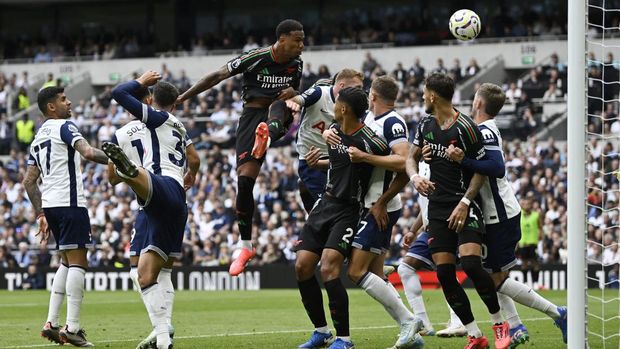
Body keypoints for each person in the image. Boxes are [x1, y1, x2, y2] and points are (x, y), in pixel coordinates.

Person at [443, 83, 568, 346]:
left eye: (474, 98)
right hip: (493, 213)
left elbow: (497, 167)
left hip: (500, 214)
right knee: (493, 274)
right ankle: (516, 327)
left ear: (478, 103)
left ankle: (557, 314)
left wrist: (462, 160)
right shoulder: (481, 129)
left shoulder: (486, 131)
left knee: (495, 278)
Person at [177, 19, 304, 276]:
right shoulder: (255, 57)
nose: (302, 45)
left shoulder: (296, 64)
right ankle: (245, 245)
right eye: (297, 40)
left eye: (302, 40)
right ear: (282, 40)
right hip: (250, 118)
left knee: (279, 106)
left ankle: (267, 135)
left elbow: (295, 93)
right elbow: (217, 75)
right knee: (244, 183)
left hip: (278, 114)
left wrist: (292, 92)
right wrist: (183, 97)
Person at [405, 73, 510, 349]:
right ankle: (476, 335)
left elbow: (480, 172)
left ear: (433, 96)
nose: (422, 97)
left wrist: (465, 202)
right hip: (437, 208)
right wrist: (415, 177)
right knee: (444, 273)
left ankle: (500, 323)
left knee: (473, 265)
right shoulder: (425, 124)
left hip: (464, 204)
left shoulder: (466, 127)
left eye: (424, 93)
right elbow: (409, 158)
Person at [329, 76, 423, 348]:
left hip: (379, 206)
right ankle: (412, 335)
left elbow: (403, 162)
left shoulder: (393, 122)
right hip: (366, 203)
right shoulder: (370, 120)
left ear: (372, 95)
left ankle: (408, 321)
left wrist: (381, 201)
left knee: (357, 272)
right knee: (375, 274)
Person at [294, 87, 389, 349]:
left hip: (348, 210)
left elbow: (401, 162)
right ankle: (321, 332)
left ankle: (344, 339)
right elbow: (341, 161)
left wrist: (381, 200)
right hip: (325, 203)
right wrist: (320, 163)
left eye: (336, 103)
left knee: (328, 266)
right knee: (302, 266)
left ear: (344, 108)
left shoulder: (369, 140)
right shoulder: (334, 131)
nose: (333, 106)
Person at [106, 85, 199, 349]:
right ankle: (164, 329)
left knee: (142, 277)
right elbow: (194, 158)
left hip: (156, 191)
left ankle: (133, 172)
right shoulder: (178, 124)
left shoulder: (127, 130)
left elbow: (111, 179)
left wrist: (139, 80)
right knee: (158, 271)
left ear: (149, 102)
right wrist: (192, 174)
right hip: (177, 199)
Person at [24, 86, 109, 347]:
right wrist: (122, 160)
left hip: (51, 206)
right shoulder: (65, 126)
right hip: (71, 203)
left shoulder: (37, 138)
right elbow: (89, 152)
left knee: (65, 261)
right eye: (63, 99)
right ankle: (72, 327)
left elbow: (29, 182)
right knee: (78, 263)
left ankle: (51, 322)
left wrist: (40, 213)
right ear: (52, 107)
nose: (69, 102)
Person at [399, 160, 467, 338]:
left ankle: (459, 322)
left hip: (446, 224)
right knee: (405, 268)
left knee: (446, 271)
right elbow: (426, 205)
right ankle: (423, 323)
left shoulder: (440, 158)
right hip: (429, 227)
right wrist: (413, 230)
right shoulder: (419, 165)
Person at [286, 68, 364, 212]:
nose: (361, 92)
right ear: (341, 86)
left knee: (337, 205)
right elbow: (299, 99)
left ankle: (308, 201)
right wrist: (293, 101)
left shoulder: (353, 105)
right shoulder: (320, 93)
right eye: (357, 87)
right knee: (327, 207)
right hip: (311, 158)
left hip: (335, 158)